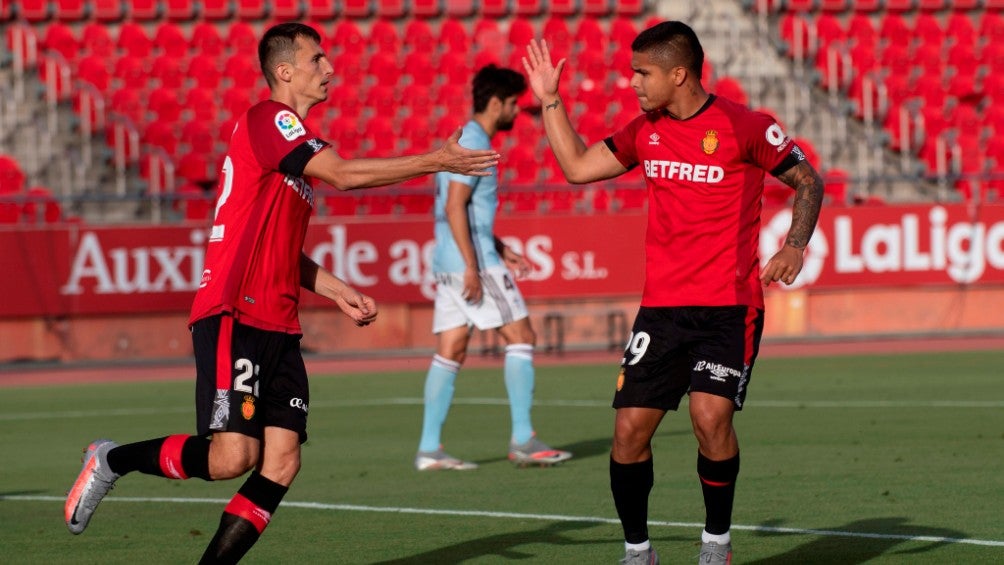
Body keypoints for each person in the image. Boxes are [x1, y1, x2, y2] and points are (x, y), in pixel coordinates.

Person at [64, 22, 500, 564]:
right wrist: (434, 160)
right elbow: (341, 173)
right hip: (235, 312)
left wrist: (336, 288)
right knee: (230, 458)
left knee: (282, 461)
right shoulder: (271, 118)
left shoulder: (289, 156)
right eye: (318, 59)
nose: (330, 69)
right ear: (285, 71)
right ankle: (112, 459)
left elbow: (280, 251)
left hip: (279, 323)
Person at [523, 21, 824, 565]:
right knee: (627, 434)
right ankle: (638, 551)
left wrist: (795, 244)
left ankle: (716, 544)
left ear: (678, 73)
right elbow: (575, 167)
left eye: (643, 72)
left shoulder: (745, 126)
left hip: (728, 308)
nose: (632, 82)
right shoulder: (646, 130)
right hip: (660, 312)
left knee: (711, 421)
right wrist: (551, 102)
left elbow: (808, 179)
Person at [415, 64, 573, 471]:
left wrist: (500, 247)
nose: (515, 113)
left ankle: (430, 449)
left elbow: (461, 208)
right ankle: (523, 439)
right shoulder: (474, 140)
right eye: (512, 105)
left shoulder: (466, 137)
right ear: (497, 102)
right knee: (521, 334)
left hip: (451, 259)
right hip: (471, 261)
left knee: (451, 348)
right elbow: (454, 206)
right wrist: (475, 263)